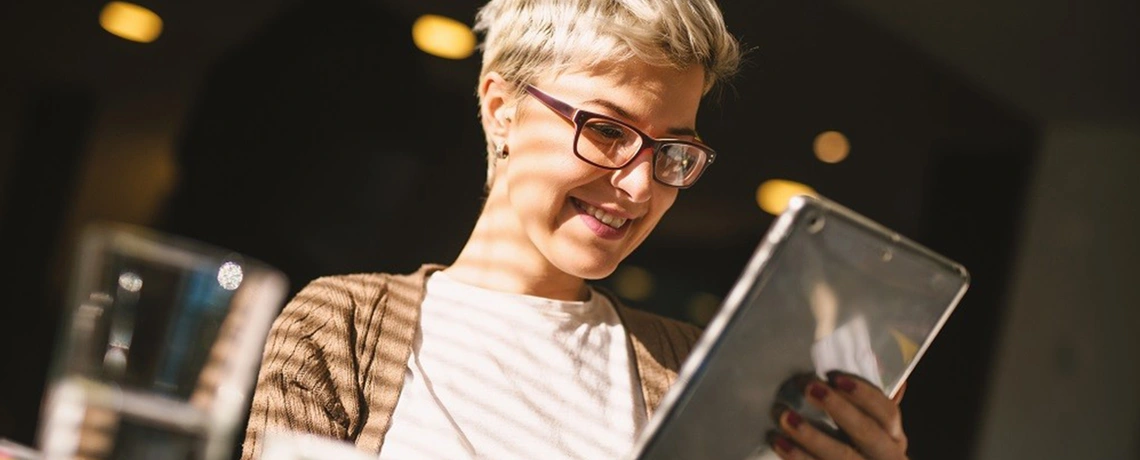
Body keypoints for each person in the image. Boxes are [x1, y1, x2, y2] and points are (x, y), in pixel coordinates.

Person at [241, 0, 911, 459]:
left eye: (673, 151)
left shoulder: (697, 371)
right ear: (502, 109)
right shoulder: (345, 327)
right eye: (609, 131)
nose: (641, 187)